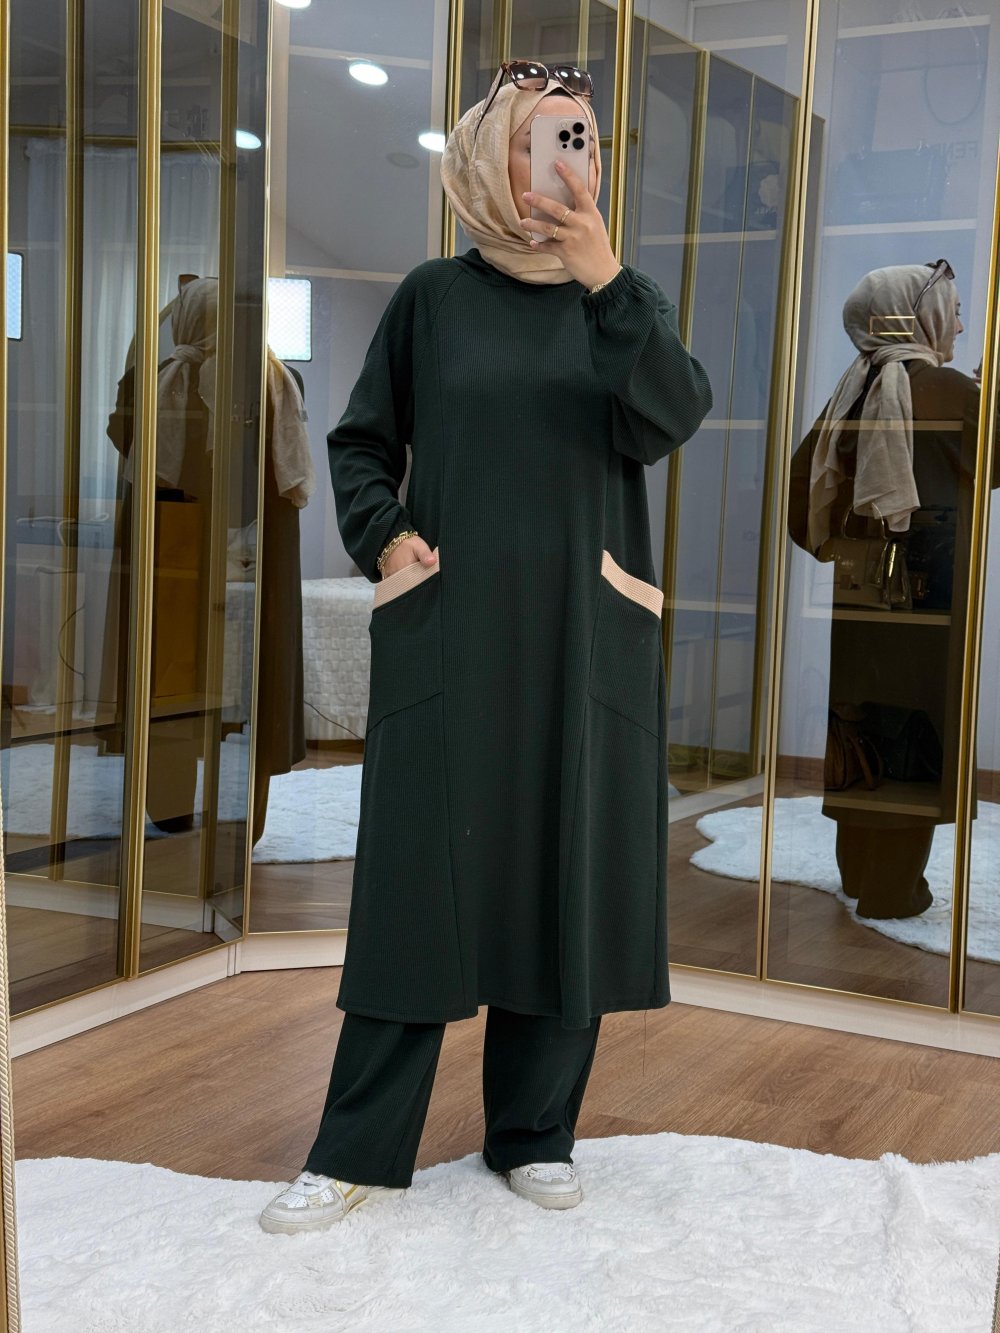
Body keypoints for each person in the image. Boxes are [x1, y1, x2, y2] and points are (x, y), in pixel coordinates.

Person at [259, 65, 712, 1234]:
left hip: (583, 629)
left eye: (585, 138)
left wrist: (605, 277)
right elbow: (360, 443)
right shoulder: (433, 298)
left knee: (567, 864)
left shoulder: (624, 303)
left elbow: (671, 414)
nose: (571, 158)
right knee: (418, 880)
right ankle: (356, 1146)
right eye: (542, 139)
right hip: (454, 622)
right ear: (484, 160)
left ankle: (535, 1130)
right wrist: (385, 537)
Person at [788, 261, 999, 920]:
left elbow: (801, 498)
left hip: (859, 597)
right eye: (952, 310)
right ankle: (893, 890)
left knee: (861, 726)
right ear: (918, 316)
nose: (959, 324)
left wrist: (849, 549)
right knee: (917, 729)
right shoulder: (946, 390)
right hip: (930, 599)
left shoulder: (852, 389)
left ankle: (858, 875)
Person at [101, 276, 314, 843]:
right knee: (223, 675)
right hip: (221, 555)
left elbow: (121, 435)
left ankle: (171, 808)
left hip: (175, 555)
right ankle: (248, 820)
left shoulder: (156, 377)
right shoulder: (280, 379)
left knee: (168, 672)